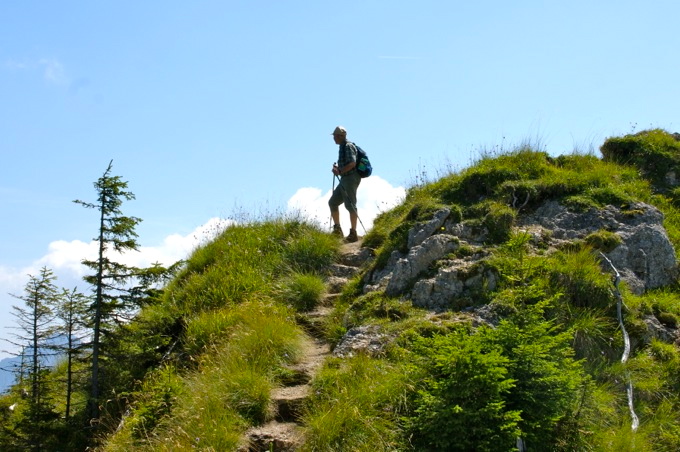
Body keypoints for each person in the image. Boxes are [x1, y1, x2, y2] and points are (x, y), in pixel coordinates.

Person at [328, 126, 361, 243]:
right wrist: (338, 169)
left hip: (351, 178)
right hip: (345, 178)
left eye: (335, 136)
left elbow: (352, 163)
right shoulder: (343, 147)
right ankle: (338, 230)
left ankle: (353, 233)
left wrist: (340, 171)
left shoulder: (347, 146)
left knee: (350, 204)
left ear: (340, 136)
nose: (334, 139)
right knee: (333, 202)